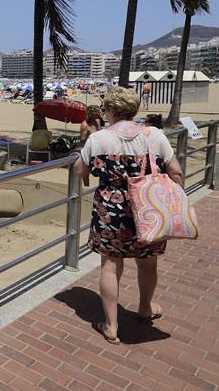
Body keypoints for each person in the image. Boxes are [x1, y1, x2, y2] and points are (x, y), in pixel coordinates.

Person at [74, 87, 183, 344]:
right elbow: (175, 170)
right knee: (148, 262)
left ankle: (111, 326)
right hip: (149, 209)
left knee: (111, 266)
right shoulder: (154, 135)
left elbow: (80, 169)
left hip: (112, 210)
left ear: (111, 111)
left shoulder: (99, 139)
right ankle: (145, 308)